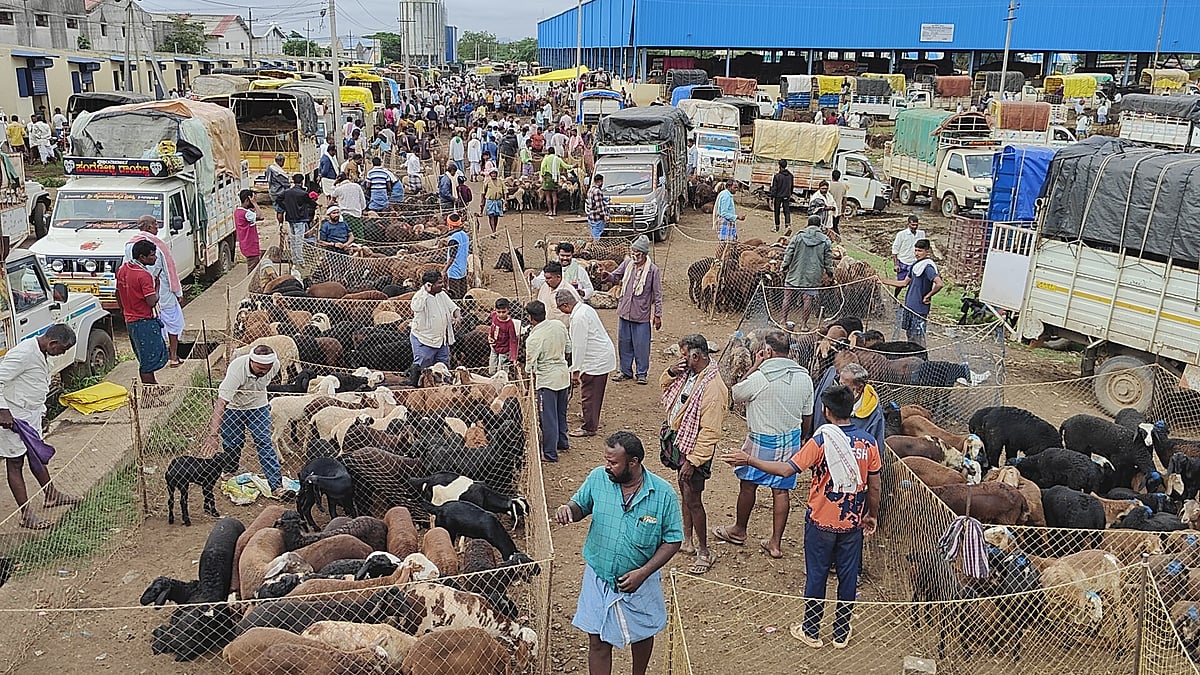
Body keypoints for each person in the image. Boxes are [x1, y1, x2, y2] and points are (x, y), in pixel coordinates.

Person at [722, 384, 880, 649]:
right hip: (852, 521)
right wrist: (871, 515)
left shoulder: (822, 440)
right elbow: (874, 485)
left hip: (821, 520)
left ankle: (811, 630)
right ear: (851, 410)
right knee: (848, 576)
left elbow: (786, 470)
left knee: (817, 575)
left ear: (826, 410)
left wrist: (749, 460)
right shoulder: (868, 442)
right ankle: (841, 633)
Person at [555, 431, 682, 675]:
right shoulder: (598, 479)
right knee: (597, 642)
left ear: (633, 462)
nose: (607, 467)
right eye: (606, 460)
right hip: (599, 575)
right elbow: (580, 506)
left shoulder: (663, 494)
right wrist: (568, 510)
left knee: (643, 633)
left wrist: (643, 573)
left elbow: (672, 540)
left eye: (613, 462)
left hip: (640, 581)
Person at [712, 330, 814, 559]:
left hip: (762, 439)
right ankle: (775, 543)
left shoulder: (760, 377)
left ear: (767, 351)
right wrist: (803, 437)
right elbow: (808, 414)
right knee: (781, 490)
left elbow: (736, 394)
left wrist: (755, 366)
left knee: (748, 484)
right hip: (790, 438)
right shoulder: (804, 377)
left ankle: (739, 530)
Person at [0, 324, 81, 530]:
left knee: (36, 455)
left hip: (31, 414)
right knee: (15, 463)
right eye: (61, 350)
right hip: (13, 418)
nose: (60, 354)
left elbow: (35, 384)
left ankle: (51, 495)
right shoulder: (23, 354)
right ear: (53, 343)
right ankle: (26, 514)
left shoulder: (42, 352)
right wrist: (3, 411)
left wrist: (42, 411)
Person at [660, 334, 727, 576]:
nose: (681, 359)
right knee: (685, 491)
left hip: (695, 450)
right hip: (682, 442)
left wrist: (694, 460)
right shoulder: (688, 374)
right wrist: (670, 371)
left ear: (695, 356)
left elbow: (710, 432)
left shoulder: (714, 388)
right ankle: (686, 540)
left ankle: (704, 551)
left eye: (684, 355)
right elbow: (664, 386)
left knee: (694, 498)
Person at [200, 345, 289, 498]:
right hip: (233, 408)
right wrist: (213, 435)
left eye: (267, 368)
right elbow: (221, 403)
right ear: (251, 361)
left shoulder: (274, 365)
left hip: (258, 407)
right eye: (260, 368)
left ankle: (276, 486)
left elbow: (263, 381)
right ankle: (230, 470)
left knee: (264, 442)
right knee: (233, 443)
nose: (264, 371)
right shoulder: (237, 370)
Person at [125, 215, 184, 367]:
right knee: (173, 322)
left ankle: (160, 358)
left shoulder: (129, 245)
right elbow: (169, 268)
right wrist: (178, 292)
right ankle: (173, 356)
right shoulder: (157, 245)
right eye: (156, 225)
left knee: (154, 324)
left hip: (140, 294)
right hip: (161, 291)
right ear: (149, 227)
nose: (157, 228)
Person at [557, 289, 616, 438]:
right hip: (599, 355)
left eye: (560, 308)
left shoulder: (578, 318)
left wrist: (575, 370)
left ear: (565, 305)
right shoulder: (585, 309)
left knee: (589, 393)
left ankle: (589, 427)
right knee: (594, 392)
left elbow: (579, 345)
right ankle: (589, 415)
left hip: (595, 360)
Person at [605, 235, 661, 384]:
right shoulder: (627, 264)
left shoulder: (653, 270)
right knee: (624, 343)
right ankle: (625, 371)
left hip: (641, 315)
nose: (634, 254)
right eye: (633, 251)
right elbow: (615, 276)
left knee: (641, 345)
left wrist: (658, 315)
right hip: (624, 312)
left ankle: (642, 373)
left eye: (637, 252)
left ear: (644, 254)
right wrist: (606, 276)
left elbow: (657, 294)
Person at [116, 240, 168, 386]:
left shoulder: (123, 269)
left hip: (130, 320)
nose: (155, 258)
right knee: (148, 359)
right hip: (144, 321)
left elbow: (117, 293)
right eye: (152, 256)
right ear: (142, 257)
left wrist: (124, 310)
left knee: (144, 355)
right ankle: (149, 395)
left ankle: (154, 386)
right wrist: (156, 287)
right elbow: (151, 301)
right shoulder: (143, 275)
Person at [525, 300, 570, 463]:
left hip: (547, 380)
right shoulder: (559, 325)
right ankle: (562, 443)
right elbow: (568, 348)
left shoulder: (534, 338)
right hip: (563, 375)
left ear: (530, 318)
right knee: (561, 412)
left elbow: (529, 365)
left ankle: (550, 453)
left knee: (548, 417)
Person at [879, 238, 943, 346]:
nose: (917, 253)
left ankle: (922, 359)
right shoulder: (915, 265)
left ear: (927, 251)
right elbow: (904, 283)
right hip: (909, 306)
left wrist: (928, 295)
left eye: (920, 251)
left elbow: (939, 283)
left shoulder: (927, 267)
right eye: (916, 250)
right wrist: (884, 281)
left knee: (918, 337)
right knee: (910, 336)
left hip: (919, 309)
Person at [812, 361, 886, 450]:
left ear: (859, 388)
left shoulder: (874, 413)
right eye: (839, 383)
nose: (839, 389)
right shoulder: (829, 391)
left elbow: (877, 447)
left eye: (844, 386)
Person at [780, 215, 834, 329]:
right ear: (819, 225)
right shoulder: (825, 241)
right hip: (813, 275)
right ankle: (804, 325)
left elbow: (788, 253)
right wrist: (830, 272)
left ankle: (783, 320)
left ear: (808, 224)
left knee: (787, 297)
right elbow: (828, 259)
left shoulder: (798, 237)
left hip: (795, 272)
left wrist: (784, 266)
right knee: (807, 299)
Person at [410, 269, 460, 369]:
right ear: (429, 285)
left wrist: (457, 317)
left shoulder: (442, 294)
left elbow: (453, 307)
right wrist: (425, 292)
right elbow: (416, 307)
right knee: (424, 368)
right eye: (439, 283)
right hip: (424, 340)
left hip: (441, 340)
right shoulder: (419, 296)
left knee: (443, 368)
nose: (442, 285)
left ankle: (444, 384)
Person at [530, 242, 595, 300]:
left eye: (568, 256)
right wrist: (532, 278)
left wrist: (582, 292)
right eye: (562, 255)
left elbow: (590, 289)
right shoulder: (551, 268)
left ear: (572, 255)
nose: (565, 258)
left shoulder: (579, 270)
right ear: (558, 254)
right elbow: (538, 283)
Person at [279, 173, 316, 267]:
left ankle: (294, 258)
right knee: (299, 241)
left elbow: (278, 199)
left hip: (290, 218)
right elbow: (310, 202)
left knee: (293, 239)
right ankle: (299, 261)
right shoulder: (303, 193)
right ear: (302, 182)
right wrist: (317, 205)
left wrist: (285, 207)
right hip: (300, 219)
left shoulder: (287, 192)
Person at [531, 261, 581, 327]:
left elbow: (577, 313)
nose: (546, 280)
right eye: (545, 278)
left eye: (549, 278)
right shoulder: (544, 287)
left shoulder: (569, 291)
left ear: (558, 277)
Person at [890, 215, 927, 298]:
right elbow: (895, 250)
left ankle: (911, 299)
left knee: (914, 284)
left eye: (916, 225)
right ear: (908, 224)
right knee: (901, 284)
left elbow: (923, 248)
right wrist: (896, 264)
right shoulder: (901, 234)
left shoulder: (921, 234)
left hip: (915, 263)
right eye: (912, 225)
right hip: (903, 262)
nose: (914, 227)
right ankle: (895, 296)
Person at [488, 297, 519, 376]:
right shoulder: (494, 316)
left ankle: (502, 385)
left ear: (508, 310)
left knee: (501, 372)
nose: (501, 314)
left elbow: (513, 340)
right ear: (495, 310)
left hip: (504, 350)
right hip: (494, 346)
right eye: (499, 312)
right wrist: (490, 336)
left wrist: (513, 357)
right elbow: (492, 327)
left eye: (503, 312)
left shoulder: (509, 324)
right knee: (491, 370)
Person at [331, 173, 367, 240]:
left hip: (344, 216)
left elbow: (332, 199)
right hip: (356, 215)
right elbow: (363, 202)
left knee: (345, 235)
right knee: (358, 236)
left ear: (338, 180)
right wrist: (362, 209)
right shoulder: (357, 186)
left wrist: (334, 184)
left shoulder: (338, 189)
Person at [540, 148, 574, 217]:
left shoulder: (546, 158)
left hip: (548, 178)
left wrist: (543, 175)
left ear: (548, 152)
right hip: (555, 178)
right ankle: (555, 211)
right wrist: (573, 166)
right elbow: (566, 166)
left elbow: (542, 167)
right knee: (554, 195)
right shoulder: (557, 159)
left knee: (547, 195)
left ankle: (550, 211)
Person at [443, 213, 470, 299]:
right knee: (463, 292)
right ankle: (465, 310)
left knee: (455, 295)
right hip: (463, 268)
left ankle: (458, 310)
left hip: (454, 271)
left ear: (450, 224)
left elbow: (452, 257)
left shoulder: (453, 239)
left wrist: (444, 270)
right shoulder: (465, 235)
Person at [234, 189, 261, 271]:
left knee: (252, 267)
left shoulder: (238, 211)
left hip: (245, 245)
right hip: (251, 246)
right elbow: (260, 216)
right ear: (247, 200)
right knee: (253, 270)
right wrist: (255, 204)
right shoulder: (246, 213)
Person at [769, 160, 794, 233]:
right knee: (787, 211)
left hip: (778, 196)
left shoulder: (777, 176)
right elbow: (792, 186)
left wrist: (772, 197)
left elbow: (774, 188)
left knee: (777, 212)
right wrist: (789, 194)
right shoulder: (790, 176)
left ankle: (777, 227)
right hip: (787, 195)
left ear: (779, 166)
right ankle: (788, 226)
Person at [265, 153, 290, 221]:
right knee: (281, 210)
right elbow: (285, 183)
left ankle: (280, 225)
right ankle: (281, 226)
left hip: (272, 191)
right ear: (280, 161)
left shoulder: (270, 167)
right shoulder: (277, 171)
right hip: (279, 192)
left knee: (278, 210)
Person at [481, 168, 506, 233]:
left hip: (498, 201)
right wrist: (482, 201)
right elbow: (483, 192)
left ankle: (495, 228)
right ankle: (493, 231)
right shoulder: (487, 181)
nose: (493, 175)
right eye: (492, 173)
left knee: (496, 216)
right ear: (490, 174)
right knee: (491, 215)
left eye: (495, 173)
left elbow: (505, 191)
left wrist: (505, 200)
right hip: (490, 201)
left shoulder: (500, 181)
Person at [585, 174, 609, 241]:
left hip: (591, 216)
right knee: (597, 235)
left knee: (593, 233)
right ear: (600, 181)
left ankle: (592, 246)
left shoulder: (590, 190)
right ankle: (596, 248)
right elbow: (599, 206)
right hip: (597, 217)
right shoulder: (597, 191)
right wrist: (604, 215)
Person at [828, 169, 849, 234]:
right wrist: (843, 211)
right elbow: (844, 200)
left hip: (829, 210)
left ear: (832, 176)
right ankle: (837, 239)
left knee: (828, 226)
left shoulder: (828, 185)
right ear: (839, 177)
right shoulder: (843, 186)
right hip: (838, 210)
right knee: (835, 226)